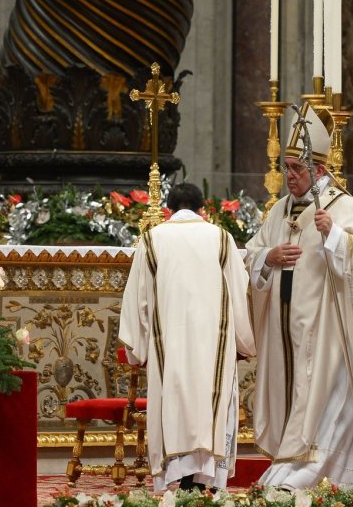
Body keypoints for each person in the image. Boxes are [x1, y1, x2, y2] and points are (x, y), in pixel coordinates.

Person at [245, 105, 353, 488]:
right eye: (287, 168)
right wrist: (268, 257)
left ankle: (312, 473)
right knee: (289, 390)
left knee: (319, 398)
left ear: (320, 171)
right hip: (283, 323)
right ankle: (287, 460)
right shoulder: (279, 210)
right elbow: (252, 251)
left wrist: (336, 237)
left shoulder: (342, 208)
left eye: (296, 169)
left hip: (324, 331)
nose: (288, 176)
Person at [119, 182, 255, 493]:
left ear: (168, 208)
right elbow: (238, 289)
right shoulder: (221, 238)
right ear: (202, 208)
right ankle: (205, 477)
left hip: (170, 344)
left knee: (175, 403)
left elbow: (137, 298)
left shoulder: (153, 239)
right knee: (210, 402)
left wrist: (137, 350)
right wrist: (245, 342)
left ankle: (178, 476)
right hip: (212, 346)